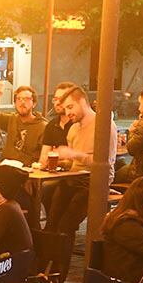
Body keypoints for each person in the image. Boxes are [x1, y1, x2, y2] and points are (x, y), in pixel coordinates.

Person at [46, 86, 117, 235]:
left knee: (66, 222)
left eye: (71, 107)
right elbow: (72, 164)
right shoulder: (73, 129)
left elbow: (105, 164)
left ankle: (62, 252)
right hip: (74, 178)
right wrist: (59, 161)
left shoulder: (104, 125)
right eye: (65, 109)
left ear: (83, 101)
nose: (68, 113)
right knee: (50, 213)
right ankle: (49, 253)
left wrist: (75, 154)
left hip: (95, 181)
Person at [0, 83, 46, 166]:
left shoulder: (42, 126)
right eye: (19, 99)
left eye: (27, 99)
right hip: (5, 167)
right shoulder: (11, 119)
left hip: (27, 172)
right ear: (15, 103)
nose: (22, 102)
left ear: (34, 103)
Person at [39, 81, 78, 164]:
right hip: (52, 174)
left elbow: (77, 162)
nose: (58, 102)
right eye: (55, 99)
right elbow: (43, 158)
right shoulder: (51, 125)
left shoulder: (78, 124)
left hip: (75, 174)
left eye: (62, 99)